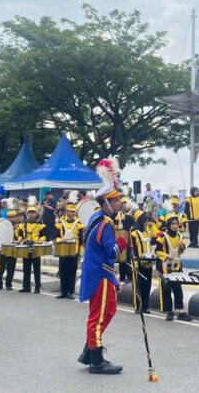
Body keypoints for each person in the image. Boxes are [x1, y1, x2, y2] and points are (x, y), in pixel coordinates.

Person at [77, 158, 127, 374]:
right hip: (100, 275)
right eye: (115, 201)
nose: (119, 204)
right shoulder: (105, 223)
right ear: (106, 202)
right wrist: (125, 240)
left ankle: (89, 351)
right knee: (97, 318)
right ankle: (96, 361)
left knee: (108, 311)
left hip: (101, 273)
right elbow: (112, 253)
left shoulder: (98, 218)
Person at [154, 211, 192, 322]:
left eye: (177, 224)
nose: (175, 226)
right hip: (166, 267)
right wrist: (166, 256)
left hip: (177, 267)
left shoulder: (180, 236)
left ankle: (181, 311)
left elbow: (182, 251)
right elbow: (157, 251)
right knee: (166, 290)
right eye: (173, 224)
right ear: (169, 225)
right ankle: (169, 311)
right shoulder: (163, 236)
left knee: (178, 289)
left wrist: (181, 247)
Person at [16, 199, 46, 294]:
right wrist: (19, 240)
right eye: (30, 213)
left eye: (33, 213)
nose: (31, 215)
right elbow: (20, 235)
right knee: (26, 268)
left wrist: (40, 241)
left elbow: (44, 235)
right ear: (27, 214)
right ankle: (26, 286)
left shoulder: (40, 225)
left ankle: (37, 287)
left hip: (36, 248)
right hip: (26, 248)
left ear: (36, 214)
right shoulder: (23, 225)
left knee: (37, 269)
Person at [56, 201, 85, 299]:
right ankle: (63, 291)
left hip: (74, 251)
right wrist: (60, 239)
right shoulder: (61, 223)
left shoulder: (78, 223)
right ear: (66, 212)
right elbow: (56, 236)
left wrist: (80, 252)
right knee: (63, 271)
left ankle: (70, 292)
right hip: (63, 250)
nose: (71, 213)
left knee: (72, 272)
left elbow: (81, 240)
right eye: (69, 211)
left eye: (73, 212)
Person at [130, 209, 154, 314]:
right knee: (138, 285)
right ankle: (138, 306)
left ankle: (146, 306)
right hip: (138, 263)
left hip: (148, 262)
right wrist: (136, 264)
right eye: (145, 221)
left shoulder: (148, 231)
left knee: (147, 284)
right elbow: (134, 250)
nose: (146, 223)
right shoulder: (134, 233)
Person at [0, 209, 22, 290]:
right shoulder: (3, 226)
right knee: (0, 268)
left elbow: (21, 236)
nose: (11, 219)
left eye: (13, 217)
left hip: (13, 249)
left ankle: (8, 284)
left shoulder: (20, 227)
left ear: (17, 217)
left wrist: (18, 241)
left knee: (11, 268)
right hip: (3, 249)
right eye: (9, 217)